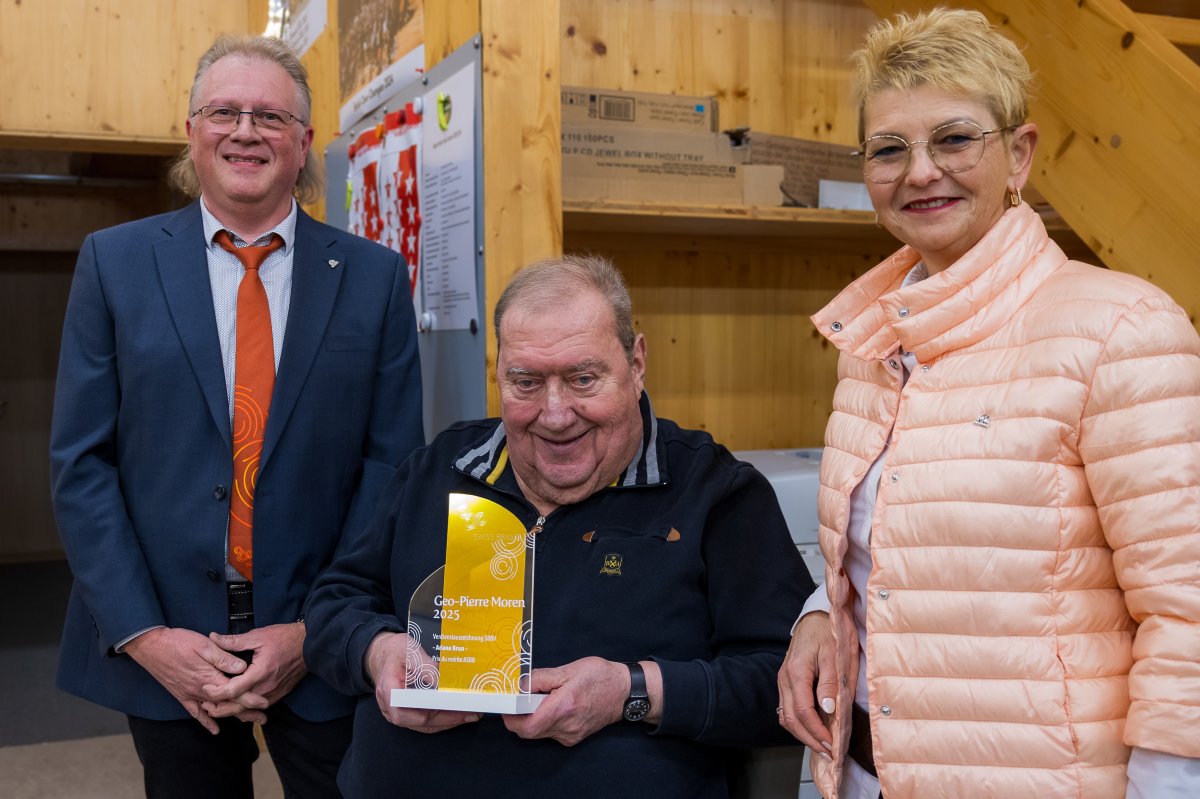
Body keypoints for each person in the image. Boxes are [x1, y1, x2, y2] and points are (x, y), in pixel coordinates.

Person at [774, 8, 1200, 799]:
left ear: (1019, 155)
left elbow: (1189, 611)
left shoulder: (1122, 328)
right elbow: (900, 545)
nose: (921, 171)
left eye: (956, 138)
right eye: (889, 148)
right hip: (861, 772)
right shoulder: (871, 341)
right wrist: (817, 613)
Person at [49, 35, 423, 798]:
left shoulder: (374, 278)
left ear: (304, 143)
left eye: (270, 116)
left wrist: (314, 632)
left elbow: (390, 469)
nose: (246, 131)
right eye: (225, 111)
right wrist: (147, 635)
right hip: (169, 640)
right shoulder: (113, 264)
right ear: (193, 131)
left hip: (319, 636)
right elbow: (82, 466)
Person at [303, 254, 816, 798]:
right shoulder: (440, 468)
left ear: (636, 363)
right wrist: (377, 650)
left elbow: (784, 678)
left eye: (582, 378)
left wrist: (632, 691)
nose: (554, 413)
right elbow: (336, 602)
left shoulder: (713, 491)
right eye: (525, 382)